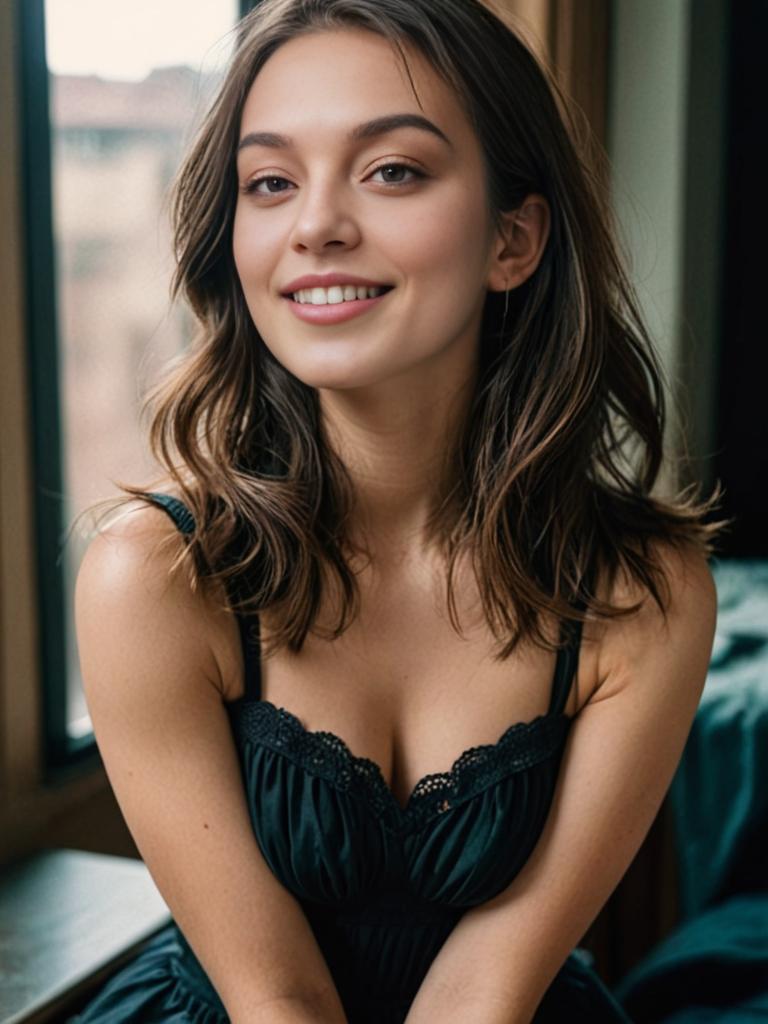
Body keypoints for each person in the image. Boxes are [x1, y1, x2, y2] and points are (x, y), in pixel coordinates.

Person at [71, 1, 725, 1021]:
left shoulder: (644, 595)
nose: (316, 224)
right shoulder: (153, 579)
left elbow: (490, 991)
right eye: (271, 182)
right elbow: (275, 995)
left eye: (393, 171)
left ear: (515, 241)